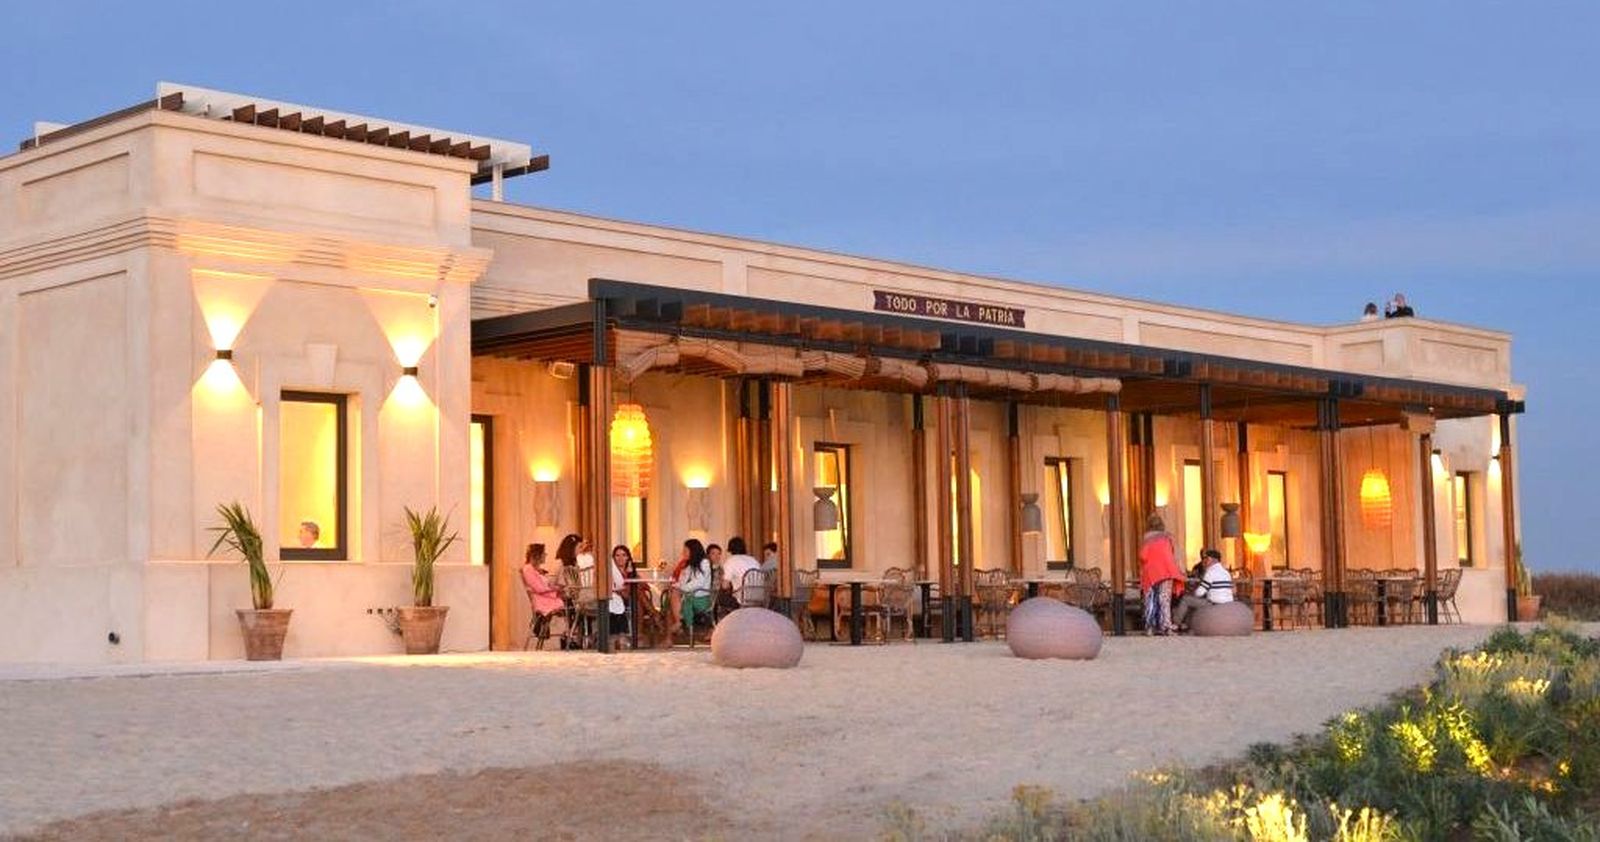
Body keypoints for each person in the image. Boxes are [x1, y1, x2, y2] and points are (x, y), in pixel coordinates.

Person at [1137, 514, 1184, 636]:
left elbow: (1143, 556)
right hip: (1168, 571)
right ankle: (1166, 626)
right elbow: (1175, 555)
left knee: (1151, 599)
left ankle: (1150, 628)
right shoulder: (1168, 538)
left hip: (1151, 573)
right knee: (1165, 599)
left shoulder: (1147, 539)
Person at [575, 538, 628, 636]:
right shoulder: (606, 559)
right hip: (600, 599)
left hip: (582, 600)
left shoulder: (578, 559)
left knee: (613, 599)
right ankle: (617, 636)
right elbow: (620, 582)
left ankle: (603, 635)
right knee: (615, 600)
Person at [1173, 548, 1234, 630]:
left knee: (1186, 599)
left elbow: (1199, 593)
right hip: (1227, 604)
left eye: (1206, 559)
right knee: (1193, 600)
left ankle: (1175, 624)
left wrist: (1192, 592)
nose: (1205, 561)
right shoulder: (1226, 572)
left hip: (1214, 604)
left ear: (1212, 560)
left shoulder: (1211, 572)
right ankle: (1187, 625)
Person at [521, 543, 564, 648]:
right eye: (543, 553)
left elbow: (544, 586)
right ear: (537, 555)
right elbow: (539, 589)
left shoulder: (535, 570)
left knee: (572, 602)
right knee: (575, 607)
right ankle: (571, 637)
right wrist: (556, 590)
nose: (546, 555)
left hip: (548, 598)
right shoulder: (528, 570)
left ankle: (570, 637)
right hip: (544, 602)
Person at [674, 538, 714, 635]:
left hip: (701, 598)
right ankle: (678, 622)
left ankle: (678, 623)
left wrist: (681, 588)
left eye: (685, 550)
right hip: (691, 594)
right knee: (673, 593)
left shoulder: (704, 563)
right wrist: (678, 586)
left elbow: (698, 583)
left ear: (693, 550)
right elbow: (682, 581)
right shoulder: (689, 565)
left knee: (674, 595)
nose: (683, 553)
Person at [721, 537, 761, 606]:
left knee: (719, 597)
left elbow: (725, 586)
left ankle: (733, 616)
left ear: (730, 550)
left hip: (742, 600)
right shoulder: (753, 559)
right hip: (759, 597)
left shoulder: (731, 560)